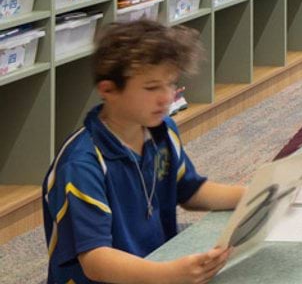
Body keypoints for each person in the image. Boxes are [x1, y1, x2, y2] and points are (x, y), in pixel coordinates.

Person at [42, 22, 244, 284]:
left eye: (171, 84)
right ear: (108, 90)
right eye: (151, 88)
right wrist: (171, 274)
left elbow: (190, 191)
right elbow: (95, 260)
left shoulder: (162, 131)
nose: (166, 97)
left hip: (154, 264)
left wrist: (256, 195)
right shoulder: (81, 163)